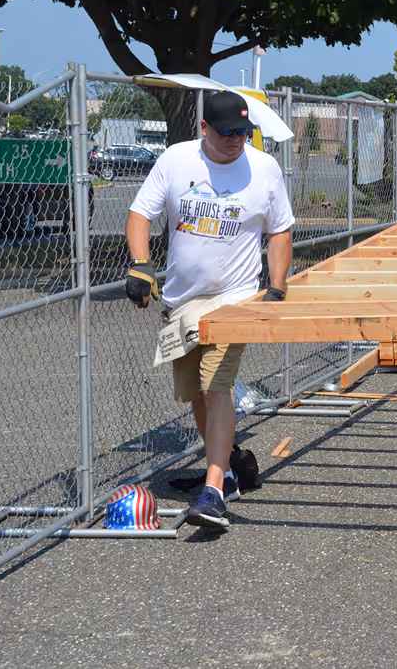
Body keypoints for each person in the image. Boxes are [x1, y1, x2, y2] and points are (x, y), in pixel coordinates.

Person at [125, 90, 294, 531]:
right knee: (196, 393)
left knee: (217, 387)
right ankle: (232, 468)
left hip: (235, 299)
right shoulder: (177, 161)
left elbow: (280, 229)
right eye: (227, 133)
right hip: (183, 302)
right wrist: (141, 265)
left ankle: (214, 492)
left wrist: (276, 287)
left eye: (244, 132)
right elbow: (140, 214)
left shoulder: (264, 168)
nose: (237, 140)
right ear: (204, 129)